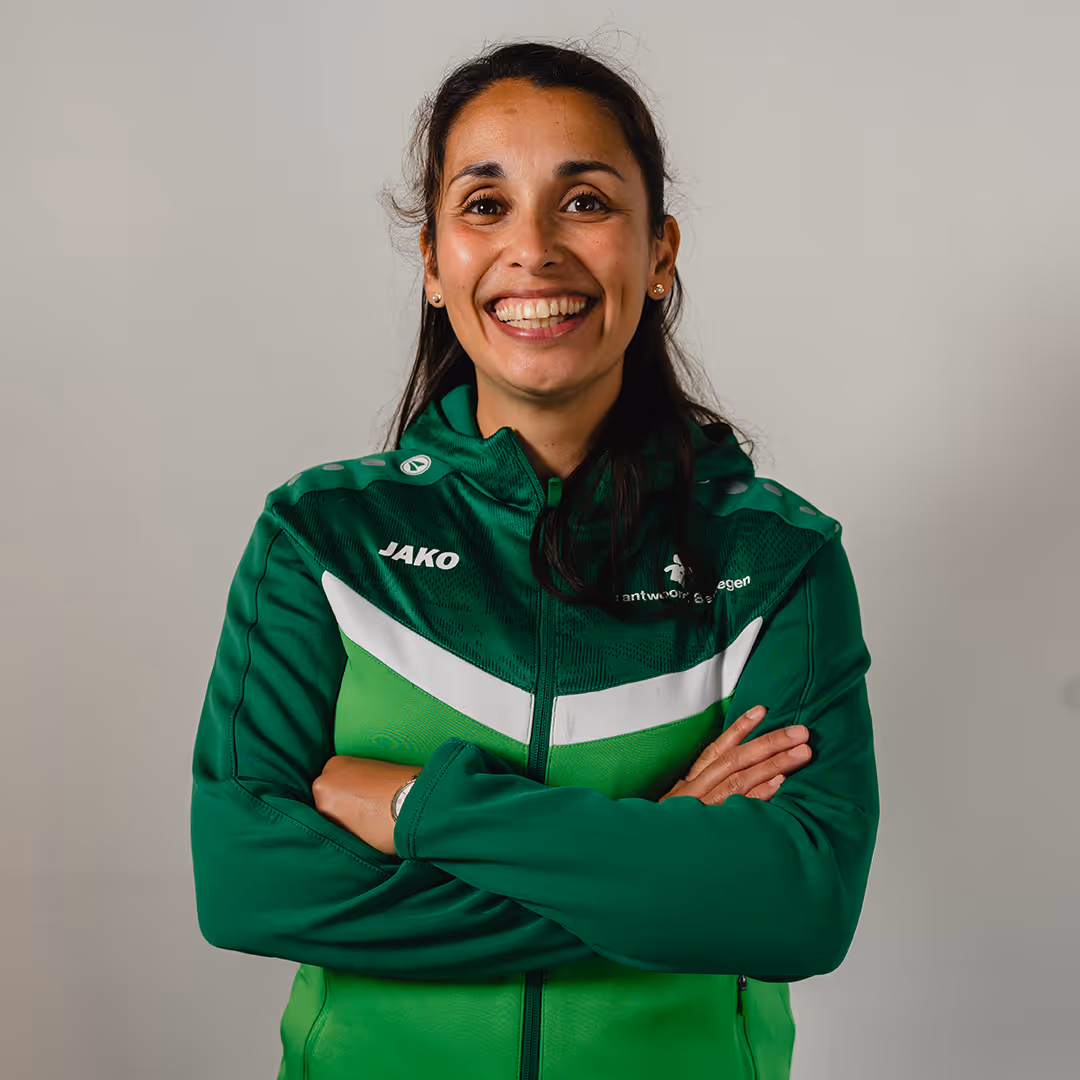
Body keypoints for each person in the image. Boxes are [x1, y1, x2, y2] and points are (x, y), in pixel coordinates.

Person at [190, 40, 879, 1080]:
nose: (534, 249)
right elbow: (251, 884)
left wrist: (425, 809)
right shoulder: (321, 537)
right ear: (434, 263)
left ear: (659, 253)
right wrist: (662, 855)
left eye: (585, 202)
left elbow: (798, 909)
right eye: (485, 206)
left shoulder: (773, 559)